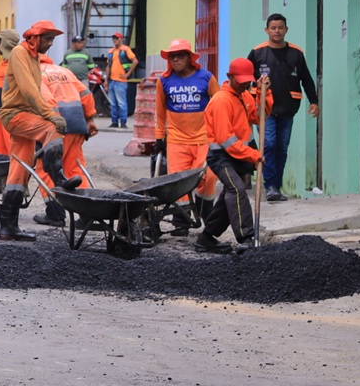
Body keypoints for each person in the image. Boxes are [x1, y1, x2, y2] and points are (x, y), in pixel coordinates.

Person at [0, 20, 84, 241]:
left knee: (19, 171)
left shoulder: (33, 57)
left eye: (52, 39)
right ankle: (59, 178)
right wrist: (50, 115)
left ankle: (8, 227)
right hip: (14, 115)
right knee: (51, 128)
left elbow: (36, 91)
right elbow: (29, 90)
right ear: (35, 38)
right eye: (48, 39)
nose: (51, 43)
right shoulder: (20, 53)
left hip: (25, 115)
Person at [197, 58, 270, 253]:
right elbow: (226, 141)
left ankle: (206, 238)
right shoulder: (221, 101)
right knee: (236, 189)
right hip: (220, 156)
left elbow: (260, 116)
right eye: (241, 81)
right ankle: (246, 237)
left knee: (228, 197)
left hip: (236, 156)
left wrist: (264, 92)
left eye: (247, 81)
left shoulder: (243, 95)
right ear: (229, 77)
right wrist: (253, 155)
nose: (244, 84)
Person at [246, 13, 319, 202]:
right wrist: (248, 100)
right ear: (267, 30)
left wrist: (314, 101)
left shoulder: (296, 53)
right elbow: (245, 79)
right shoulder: (257, 53)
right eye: (273, 28)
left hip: (288, 108)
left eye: (280, 28)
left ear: (286, 29)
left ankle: (276, 187)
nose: (277, 31)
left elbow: (306, 79)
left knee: (282, 148)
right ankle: (270, 185)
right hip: (265, 109)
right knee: (269, 144)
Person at [154, 38, 220, 233]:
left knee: (208, 177)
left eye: (180, 56)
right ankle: (181, 221)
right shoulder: (164, 81)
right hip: (177, 140)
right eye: (172, 57)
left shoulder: (206, 78)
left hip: (204, 138)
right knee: (177, 182)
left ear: (189, 58)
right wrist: (159, 137)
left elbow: (219, 106)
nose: (175, 59)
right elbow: (160, 112)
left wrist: (220, 133)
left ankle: (204, 211)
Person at [30, 59, 98, 226]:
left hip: (55, 126)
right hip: (77, 123)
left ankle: (55, 214)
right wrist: (89, 119)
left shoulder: (34, 73)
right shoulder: (65, 71)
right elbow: (86, 95)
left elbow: (44, 101)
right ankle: (87, 214)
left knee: (46, 168)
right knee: (75, 168)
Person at [106, 31, 138, 128]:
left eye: (117, 38)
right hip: (112, 80)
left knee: (121, 103)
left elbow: (135, 61)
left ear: (121, 39)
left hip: (121, 81)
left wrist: (128, 73)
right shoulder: (111, 51)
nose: (115, 40)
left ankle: (123, 122)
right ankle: (114, 122)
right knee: (113, 103)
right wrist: (106, 80)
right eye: (114, 38)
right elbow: (108, 66)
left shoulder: (125, 49)